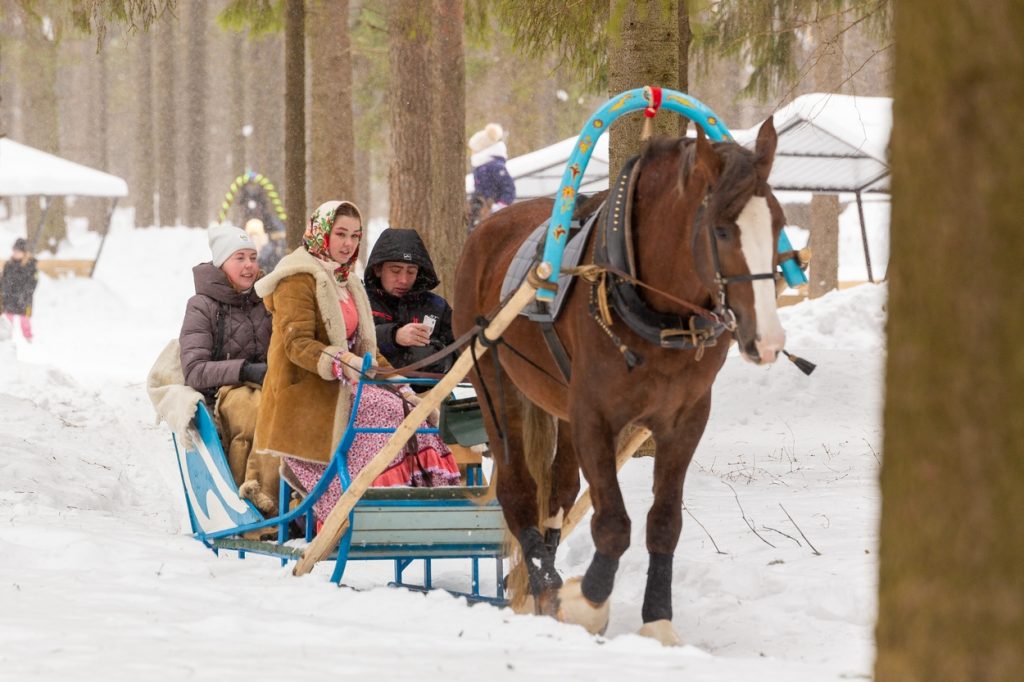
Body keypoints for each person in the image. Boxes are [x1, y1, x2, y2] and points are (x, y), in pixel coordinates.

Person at [252, 200, 461, 524]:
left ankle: (424, 514)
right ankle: (373, 510)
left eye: (354, 235)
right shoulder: (297, 278)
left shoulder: (348, 282)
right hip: (309, 395)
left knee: (413, 414)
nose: (348, 243)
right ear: (322, 233)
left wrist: (399, 385)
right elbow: (297, 344)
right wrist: (342, 362)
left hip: (348, 385)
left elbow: (367, 348)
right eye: (340, 234)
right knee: (385, 413)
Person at [178, 224, 278, 515]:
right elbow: (194, 370)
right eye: (240, 258)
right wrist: (245, 371)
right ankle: (247, 501)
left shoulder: (266, 301)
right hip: (223, 394)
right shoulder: (202, 306)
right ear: (222, 263)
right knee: (251, 410)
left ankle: (291, 500)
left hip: (268, 384)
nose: (249, 265)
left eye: (252, 257)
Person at [364, 228, 455, 382]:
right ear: (378, 269)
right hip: (374, 394)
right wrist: (394, 336)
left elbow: (461, 348)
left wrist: (436, 356)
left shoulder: (437, 306)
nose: (404, 280)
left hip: (431, 396)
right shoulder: (360, 299)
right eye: (395, 270)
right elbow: (351, 342)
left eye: (411, 272)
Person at [468, 123, 516, 230]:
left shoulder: (495, 166)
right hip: (482, 207)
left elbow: (509, 187)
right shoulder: (481, 166)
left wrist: (499, 206)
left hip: (493, 209)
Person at [0, 238, 38, 342]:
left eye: (18, 251)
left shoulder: (30, 265)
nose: (16, 254)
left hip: (24, 299)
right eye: (14, 251)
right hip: (9, 298)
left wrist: (25, 292)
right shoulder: (9, 265)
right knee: (8, 319)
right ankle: (7, 337)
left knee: (25, 319)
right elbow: (4, 279)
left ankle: (28, 336)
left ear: (24, 253)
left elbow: (33, 282)